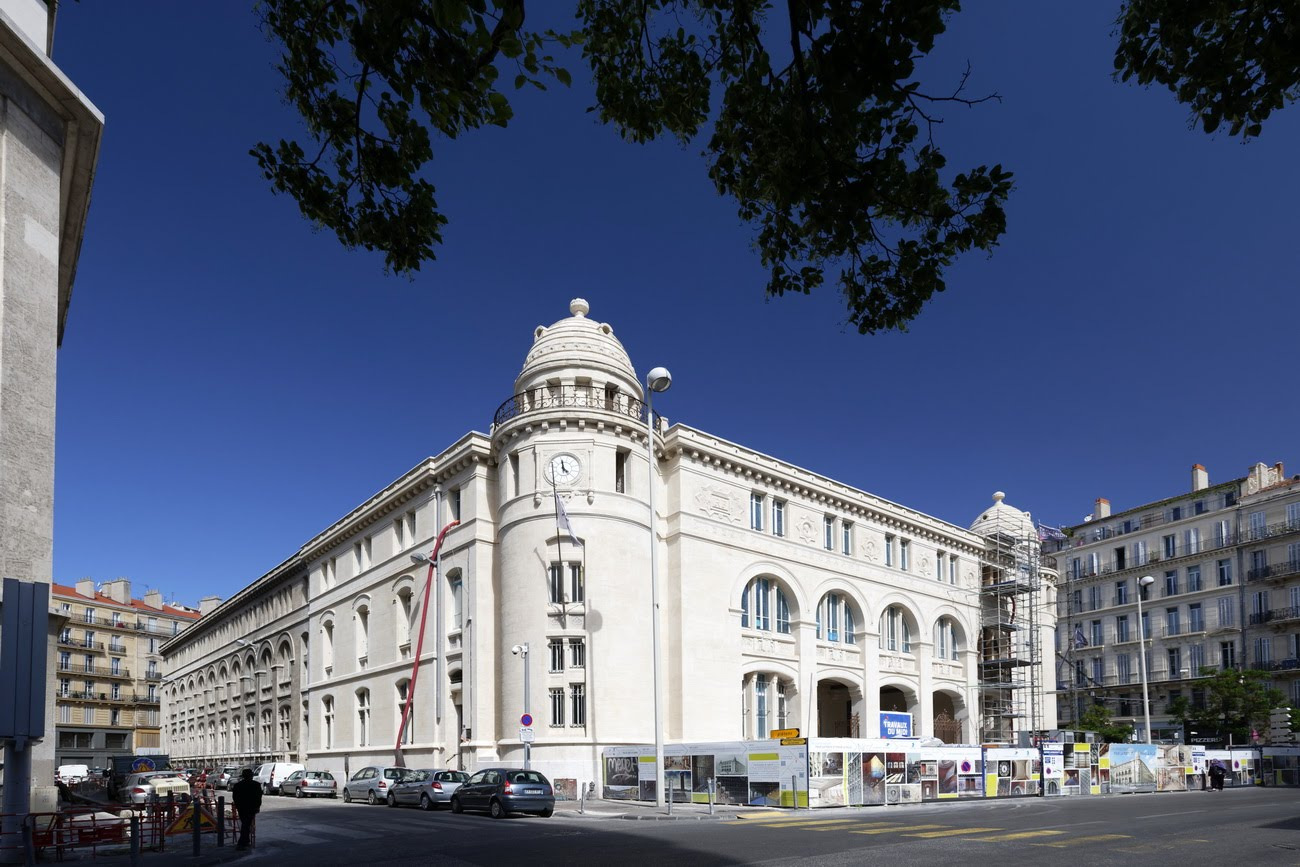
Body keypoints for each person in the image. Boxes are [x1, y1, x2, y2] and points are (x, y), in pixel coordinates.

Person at [230, 768, 262, 850]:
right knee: (246, 824)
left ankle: (245, 841)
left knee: (245, 823)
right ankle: (242, 843)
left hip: (242, 808)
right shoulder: (256, 785)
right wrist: (257, 807)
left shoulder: (238, 785)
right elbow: (258, 798)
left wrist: (237, 805)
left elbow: (235, 797)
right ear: (251, 776)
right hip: (251, 808)